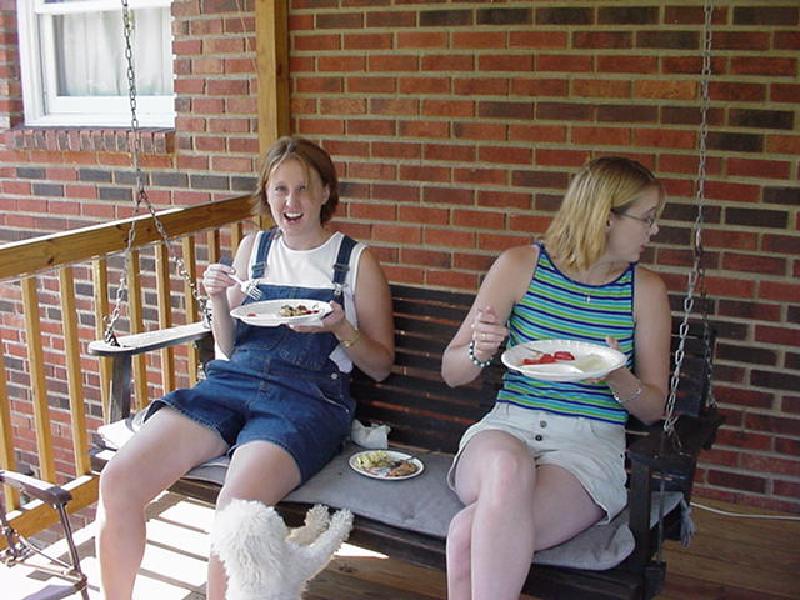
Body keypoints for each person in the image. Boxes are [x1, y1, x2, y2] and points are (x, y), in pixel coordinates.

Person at [96, 136, 395, 599]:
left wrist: (341, 328)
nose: (291, 202)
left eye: (303, 188)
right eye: (280, 189)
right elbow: (228, 343)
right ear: (267, 194)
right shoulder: (253, 249)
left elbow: (380, 366)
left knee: (235, 513)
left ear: (325, 193)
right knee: (118, 479)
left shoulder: (355, 261)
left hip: (307, 400)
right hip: (231, 384)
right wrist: (216, 297)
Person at [440, 156, 671, 600]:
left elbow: (654, 408)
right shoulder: (518, 266)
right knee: (507, 467)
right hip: (505, 430)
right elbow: (451, 371)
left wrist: (618, 377)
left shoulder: (645, 291)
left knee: (470, 533)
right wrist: (479, 351)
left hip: (586, 448)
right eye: (647, 218)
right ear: (606, 218)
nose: (654, 230)